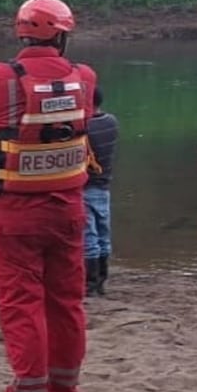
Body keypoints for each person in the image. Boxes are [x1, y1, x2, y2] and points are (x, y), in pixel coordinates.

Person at [0, 0, 96, 392]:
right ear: (62, 35)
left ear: (20, 33)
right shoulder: (85, 77)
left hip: (14, 214)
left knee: (22, 310)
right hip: (68, 211)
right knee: (66, 307)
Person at [84, 86, 119, 297]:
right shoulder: (111, 121)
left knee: (88, 236)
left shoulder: (84, 127)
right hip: (104, 186)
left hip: (85, 187)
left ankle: (90, 283)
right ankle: (101, 280)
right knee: (103, 234)